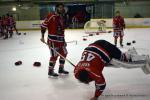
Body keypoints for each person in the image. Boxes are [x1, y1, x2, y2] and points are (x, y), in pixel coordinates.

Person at [74, 40, 150, 100]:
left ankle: (145, 59)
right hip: (96, 46)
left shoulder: (94, 72)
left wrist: (96, 97)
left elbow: (101, 85)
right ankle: (131, 52)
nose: (90, 81)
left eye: (88, 80)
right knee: (114, 63)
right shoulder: (76, 71)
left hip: (107, 49)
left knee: (126, 63)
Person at [40, 3, 69, 77]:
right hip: (52, 41)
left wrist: (64, 41)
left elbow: (62, 31)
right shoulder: (51, 15)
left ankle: (61, 69)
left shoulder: (61, 17)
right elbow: (43, 26)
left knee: (64, 53)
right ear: (56, 8)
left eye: (62, 8)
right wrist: (42, 37)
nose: (61, 9)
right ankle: (50, 71)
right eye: (59, 8)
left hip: (61, 41)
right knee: (54, 56)